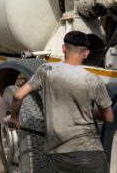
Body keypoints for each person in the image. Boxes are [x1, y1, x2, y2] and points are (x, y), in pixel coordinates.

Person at [9, 31, 114, 173]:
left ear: (64, 48)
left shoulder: (46, 70)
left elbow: (18, 95)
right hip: (92, 155)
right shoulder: (94, 80)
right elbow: (109, 117)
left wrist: (14, 118)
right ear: (86, 53)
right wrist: (88, 112)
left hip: (60, 156)